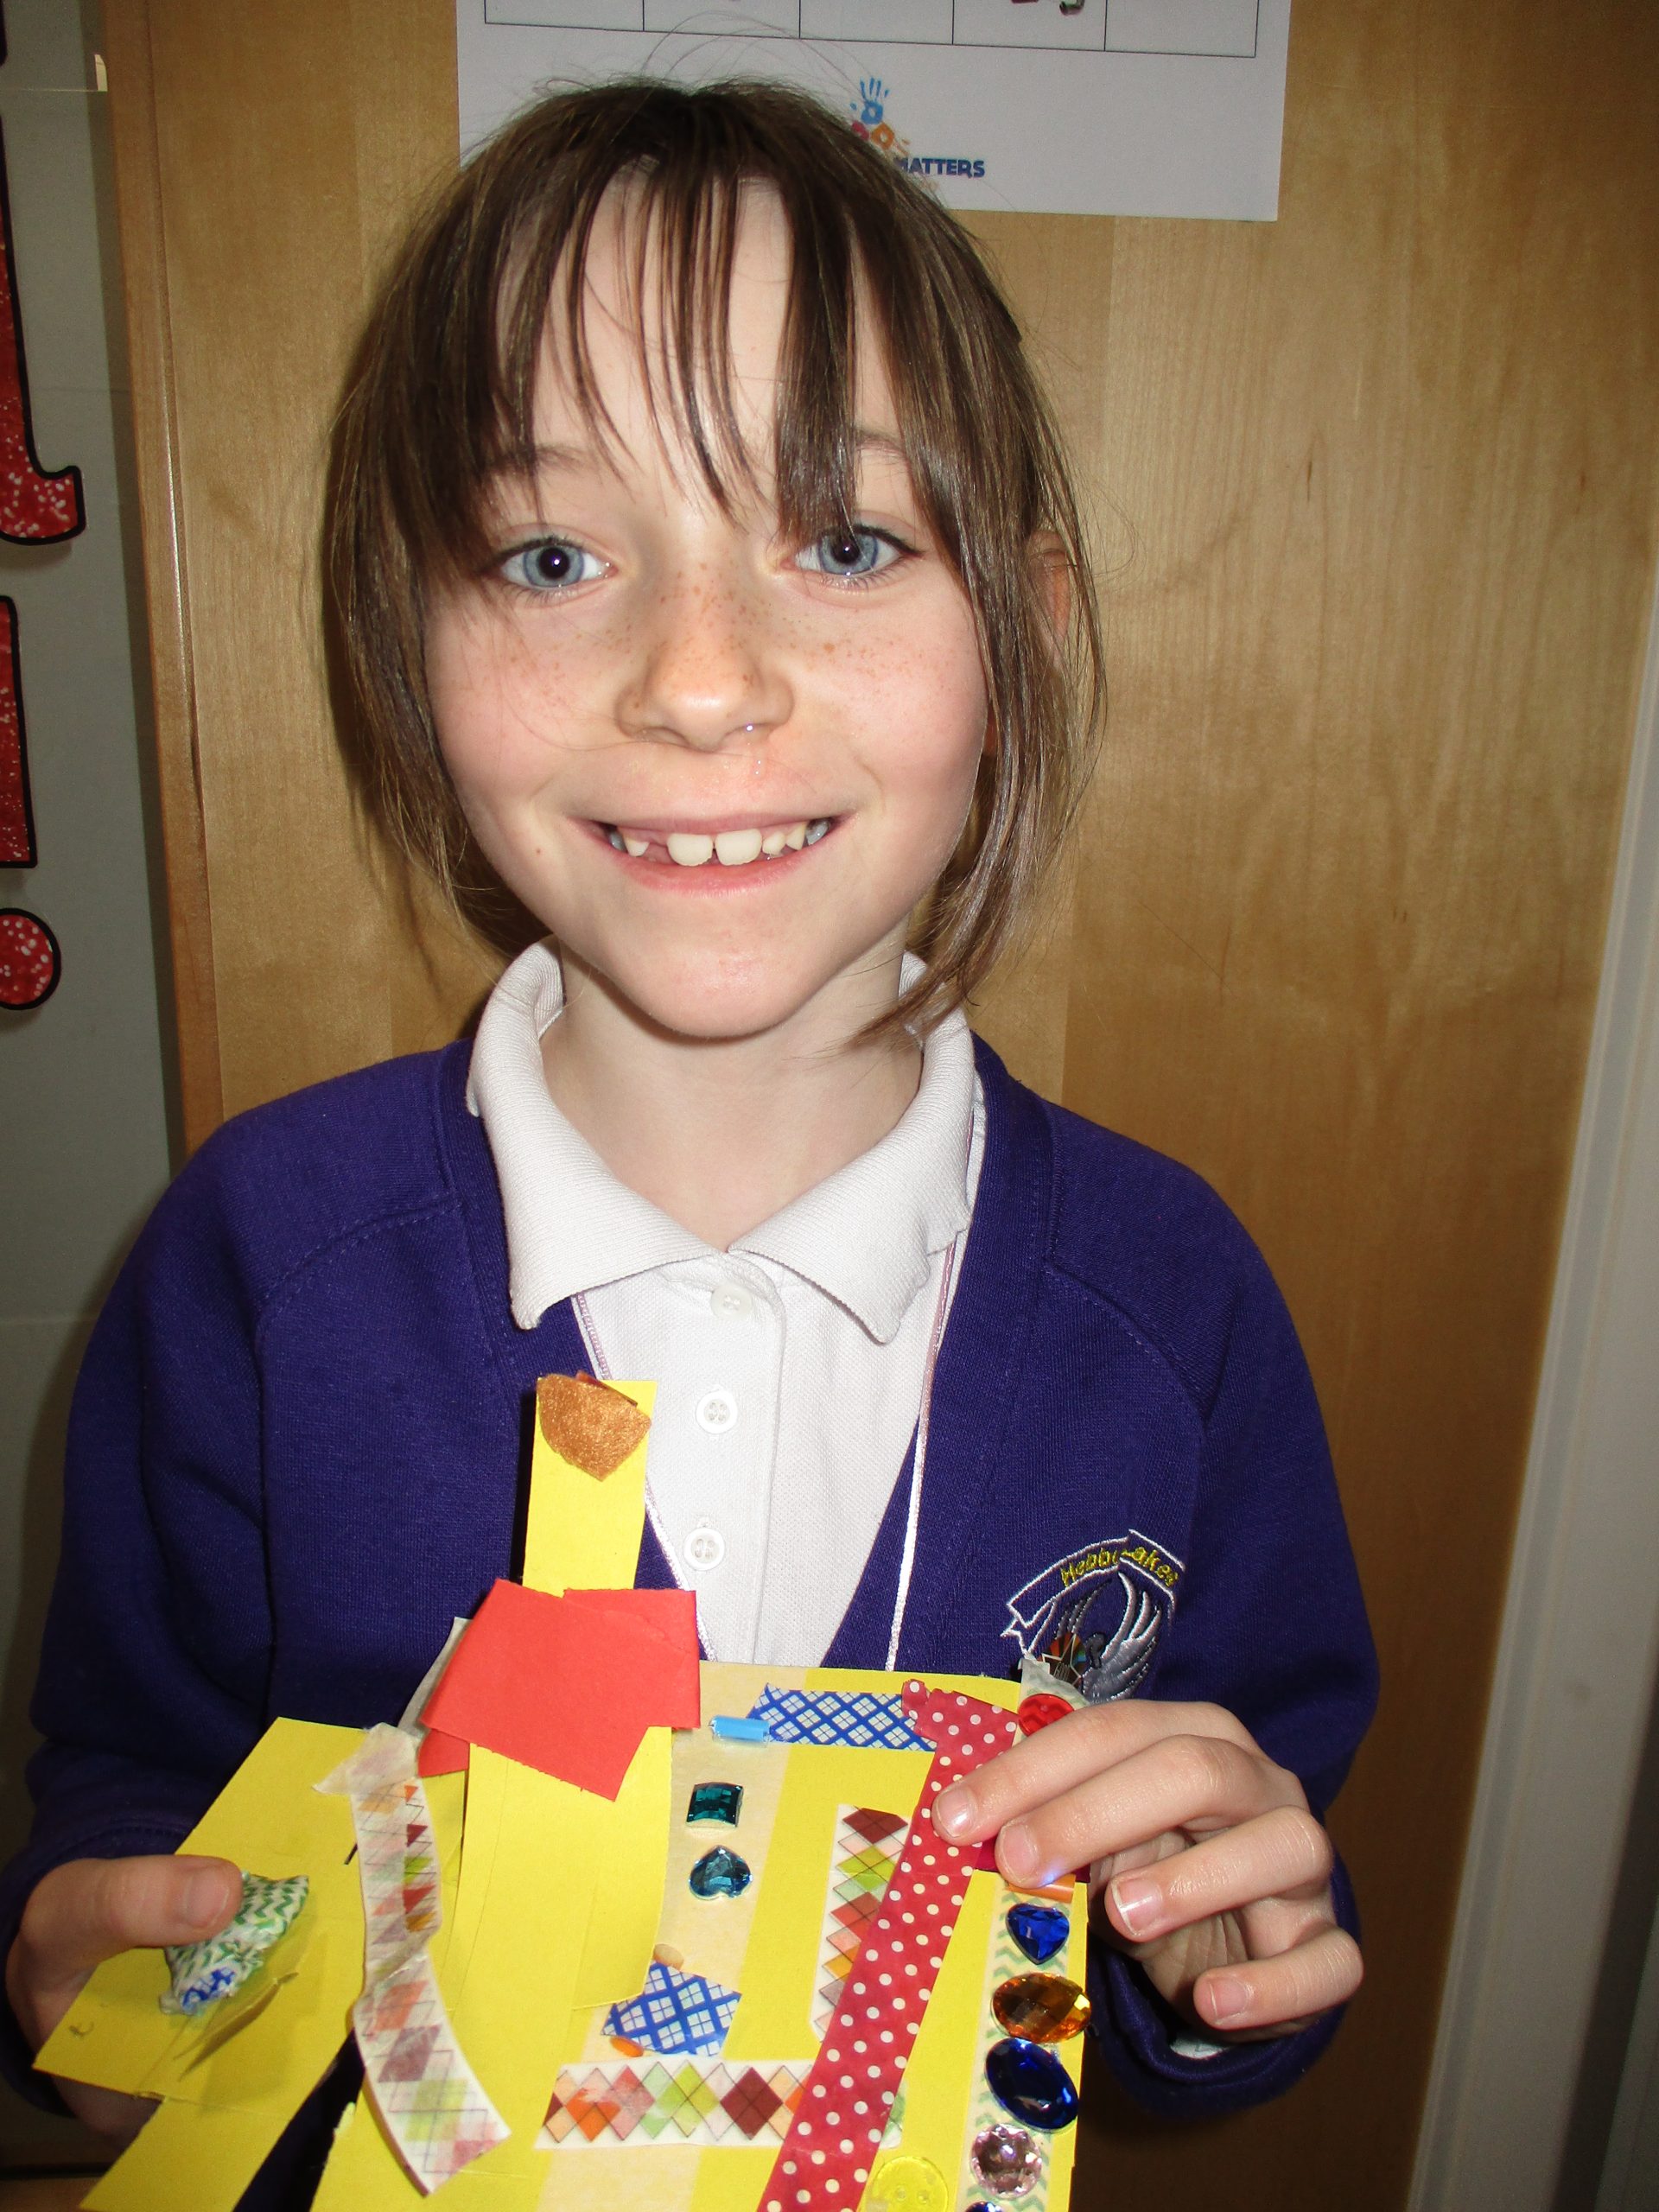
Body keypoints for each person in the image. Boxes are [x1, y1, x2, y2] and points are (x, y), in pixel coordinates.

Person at [1, 75, 1376, 2190]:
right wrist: (96, 1973)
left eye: (846, 539)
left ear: (1022, 627)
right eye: (555, 554)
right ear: (410, 638)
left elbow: (1231, 1867)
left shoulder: (1168, 1301)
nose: (703, 680)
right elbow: (128, 1772)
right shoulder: (257, 1259)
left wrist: (1214, 1968)